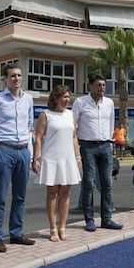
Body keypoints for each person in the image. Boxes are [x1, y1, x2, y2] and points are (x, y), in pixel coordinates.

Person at [0, 63, 35, 253]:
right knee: (1, 196)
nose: (17, 79)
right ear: (5, 79)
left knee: (20, 196)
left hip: (23, 150)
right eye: (13, 76)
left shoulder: (27, 99)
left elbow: (29, 123)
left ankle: (16, 233)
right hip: (4, 150)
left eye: (19, 75)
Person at [72, 73, 123, 232]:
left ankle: (106, 218)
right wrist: (76, 151)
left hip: (105, 146)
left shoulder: (109, 103)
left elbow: (110, 124)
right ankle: (89, 220)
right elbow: (73, 126)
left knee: (107, 184)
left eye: (103, 85)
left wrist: (111, 144)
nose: (102, 88)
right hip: (88, 147)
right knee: (89, 183)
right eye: (98, 85)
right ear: (90, 86)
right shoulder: (80, 102)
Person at [32, 85, 81, 242]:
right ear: (55, 98)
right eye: (64, 97)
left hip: (67, 158)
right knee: (52, 193)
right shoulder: (45, 115)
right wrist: (36, 158)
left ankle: (62, 227)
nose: (67, 100)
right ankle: (53, 228)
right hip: (51, 158)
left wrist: (78, 157)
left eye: (68, 97)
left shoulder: (71, 115)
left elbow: (74, 137)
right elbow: (38, 137)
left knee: (65, 193)